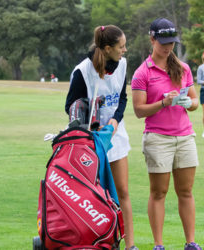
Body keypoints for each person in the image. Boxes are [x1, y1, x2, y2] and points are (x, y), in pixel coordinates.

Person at [64, 25, 137, 250]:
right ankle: (101, 242)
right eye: (121, 46)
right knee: (95, 194)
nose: (124, 50)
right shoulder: (82, 71)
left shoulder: (122, 64)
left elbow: (123, 98)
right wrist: (91, 114)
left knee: (122, 192)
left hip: (115, 136)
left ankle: (130, 245)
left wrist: (115, 120)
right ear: (107, 48)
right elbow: (70, 107)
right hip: (89, 142)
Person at [131, 18, 202, 250]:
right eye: (163, 42)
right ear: (152, 39)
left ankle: (190, 242)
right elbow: (139, 111)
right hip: (158, 138)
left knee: (186, 191)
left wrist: (187, 103)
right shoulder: (143, 72)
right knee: (159, 192)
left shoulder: (183, 68)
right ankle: (158, 245)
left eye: (171, 42)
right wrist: (163, 102)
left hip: (184, 136)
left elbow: (195, 102)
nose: (168, 47)